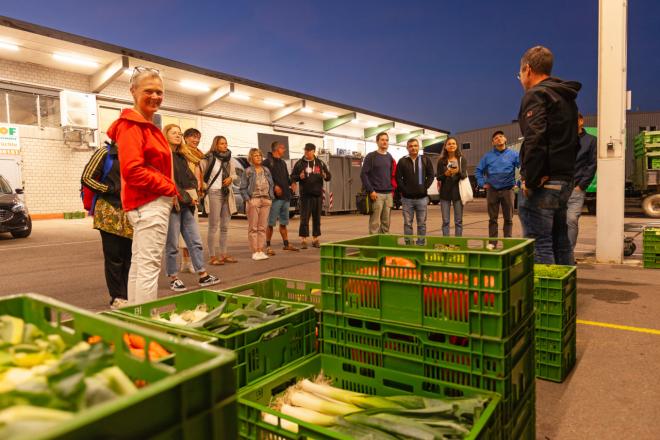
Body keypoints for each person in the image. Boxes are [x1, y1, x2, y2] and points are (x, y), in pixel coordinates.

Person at [107, 67, 178, 304]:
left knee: (139, 267)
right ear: (133, 91)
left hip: (146, 203)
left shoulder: (144, 125)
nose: (155, 96)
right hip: (149, 203)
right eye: (149, 91)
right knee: (148, 270)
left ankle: (138, 321)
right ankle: (148, 326)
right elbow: (133, 170)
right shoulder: (132, 125)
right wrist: (169, 188)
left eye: (159, 92)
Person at [516, 45, 581, 264]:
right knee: (561, 241)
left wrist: (532, 179)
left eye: (520, 74)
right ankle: (563, 294)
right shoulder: (566, 98)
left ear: (528, 69)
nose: (521, 79)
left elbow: (535, 139)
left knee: (539, 243)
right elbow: (575, 140)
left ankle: (543, 297)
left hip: (544, 184)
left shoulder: (536, 94)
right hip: (564, 180)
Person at [163, 124, 220, 291]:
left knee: (194, 240)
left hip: (187, 202)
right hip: (172, 201)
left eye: (179, 133)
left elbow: (190, 177)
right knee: (172, 243)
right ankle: (173, 277)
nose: (178, 135)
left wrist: (193, 193)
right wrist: (182, 195)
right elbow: (168, 179)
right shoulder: (164, 155)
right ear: (165, 135)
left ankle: (202, 274)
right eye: (174, 133)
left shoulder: (182, 155)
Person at [81, 142, 132, 309]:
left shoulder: (136, 153)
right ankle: (118, 297)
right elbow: (86, 177)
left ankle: (130, 294)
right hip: (110, 211)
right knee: (115, 258)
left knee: (131, 258)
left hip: (132, 211)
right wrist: (110, 189)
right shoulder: (105, 152)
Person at [200, 136, 238, 266]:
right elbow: (201, 175)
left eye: (226, 143)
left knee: (225, 227)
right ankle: (212, 256)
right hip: (214, 193)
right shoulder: (208, 158)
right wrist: (203, 188)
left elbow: (234, 174)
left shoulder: (229, 158)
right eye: (222, 143)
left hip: (226, 193)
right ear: (215, 144)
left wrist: (231, 178)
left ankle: (223, 254)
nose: (225, 145)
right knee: (213, 226)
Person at [475, 130, 520, 240]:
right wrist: (482, 183)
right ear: (493, 143)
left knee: (508, 218)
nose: (498, 139)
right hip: (492, 191)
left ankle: (507, 242)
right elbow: (478, 170)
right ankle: (493, 243)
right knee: (492, 219)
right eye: (495, 138)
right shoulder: (487, 156)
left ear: (505, 139)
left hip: (508, 190)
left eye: (501, 136)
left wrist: (519, 183)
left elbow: (523, 168)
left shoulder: (514, 154)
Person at [291, 143, 331, 248]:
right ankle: (303, 239)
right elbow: (292, 177)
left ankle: (315, 239)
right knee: (304, 218)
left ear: (314, 151)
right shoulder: (300, 163)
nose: (306, 152)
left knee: (317, 218)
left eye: (309, 150)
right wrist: (299, 177)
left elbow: (328, 177)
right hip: (305, 195)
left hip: (317, 195)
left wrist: (325, 175)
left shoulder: (320, 163)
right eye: (305, 150)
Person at [567, 113, 597, 252]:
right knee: (557, 222)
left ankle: (568, 253)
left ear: (581, 121)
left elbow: (592, 164)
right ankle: (559, 253)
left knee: (572, 220)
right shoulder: (564, 139)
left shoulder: (591, 140)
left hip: (576, 188)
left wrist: (581, 186)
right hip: (558, 187)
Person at [395, 138, 434, 243]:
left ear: (419, 147)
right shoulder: (402, 161)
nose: (413, 148)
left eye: (415, 146)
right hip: (407, 199)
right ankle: (409, 244)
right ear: (407, 148)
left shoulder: (425, 160)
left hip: (422, 198)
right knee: (408, 224)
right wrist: (404, 189)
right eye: (411, 146)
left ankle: (420, 244)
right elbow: (398, 177)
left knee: (422, 224)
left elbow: (431, 175)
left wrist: (425, 186)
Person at [263, 141, 299, 254]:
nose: (284, 150)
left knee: (284, 223)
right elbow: (263, 178)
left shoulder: (283, 163)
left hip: (285, 197)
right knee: (270, 223)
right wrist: (274, 187)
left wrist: (292, 182)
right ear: (276, 149)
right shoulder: (267, 162)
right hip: (274, 198)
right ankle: (268, 246)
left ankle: (286, 244)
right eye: (282, 148)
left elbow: (286, 177)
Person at [178, 128, 205, 273]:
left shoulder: (197, 155)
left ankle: (186, 261)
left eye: (198, 137)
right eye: (193, 137)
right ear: (186, 138)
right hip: (186, 192)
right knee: (188, 230)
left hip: (195, 193)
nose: (196, 140)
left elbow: (199, 175)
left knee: (189, 229)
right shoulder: (183, 153)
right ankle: (189, 262)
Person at [240, 148, 274, 260]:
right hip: (253, 200)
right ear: (251, 158)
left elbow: (271, 184)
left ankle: (261, 250)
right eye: (255, 155)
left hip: (266, 200)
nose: (259, 157)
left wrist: (270, 198)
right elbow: (243, 188)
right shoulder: (248, 171)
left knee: (262, 227)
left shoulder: (266, 170)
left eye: (260, 155)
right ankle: (255, 251)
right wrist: (248, 200)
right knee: (253, 227)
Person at [360, 132, 397, 234]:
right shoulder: (371, 156)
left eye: (386, 140)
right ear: (377, 142)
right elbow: (363, 175)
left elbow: (391, 175)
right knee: (375, 223)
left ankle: (384, 244)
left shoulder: (389, 157)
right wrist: (371, 190)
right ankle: (374, 245)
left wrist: (392, 190)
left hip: (388, 194)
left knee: (386, 222)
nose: (385, 142)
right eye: (382, 140)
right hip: (376, 194)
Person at [437, 137, 468, 236]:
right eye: (449, 144)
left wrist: (458, 171)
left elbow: (464, 176)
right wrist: (445, 174)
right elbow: (438, 178)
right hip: (444, 194)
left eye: (453, 143)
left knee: (458, 221)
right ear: (445, 147)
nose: (451, 145)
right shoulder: (441, 161)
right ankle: (446, 243)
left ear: (456, 146)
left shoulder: (461, 159)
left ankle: (457, 243)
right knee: (445, 221)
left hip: (458, 194)